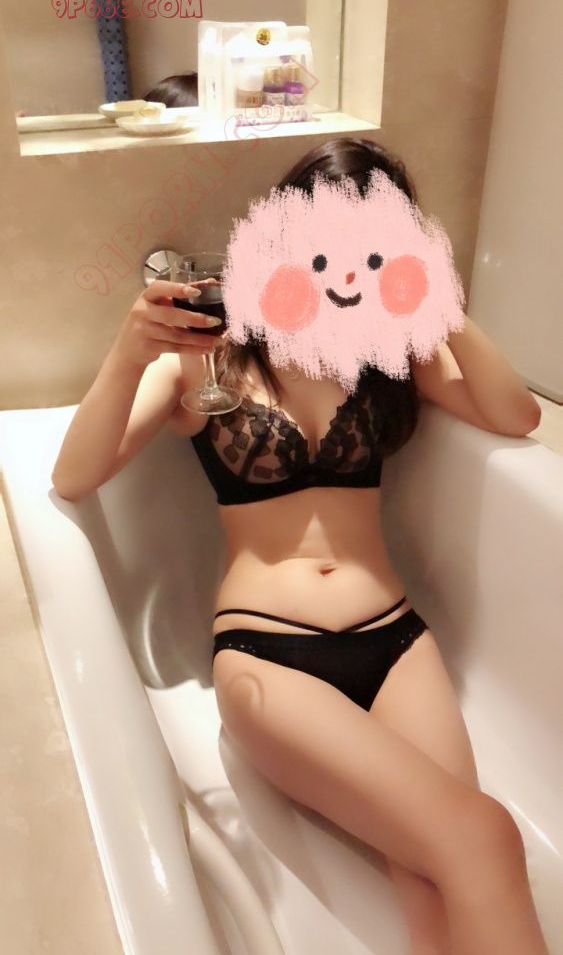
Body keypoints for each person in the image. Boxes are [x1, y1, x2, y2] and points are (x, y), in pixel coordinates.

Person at [52, 137, 547, 955]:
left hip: (396, 642)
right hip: (270, 655)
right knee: (484, 836)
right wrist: (130, 349)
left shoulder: (392, 357)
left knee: (434, 866)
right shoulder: (207, 362)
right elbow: (74, 475)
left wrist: (436, 300)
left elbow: (514, 414)